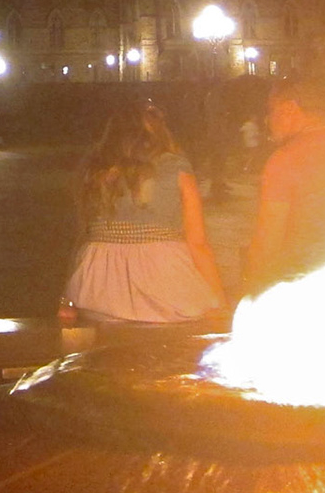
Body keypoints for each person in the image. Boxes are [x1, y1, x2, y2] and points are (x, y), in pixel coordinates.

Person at [59, 99, 227, 324]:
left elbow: (84, 236)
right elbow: (197, 242)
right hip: (163, 280)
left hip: (99, 286)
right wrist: (219, 300)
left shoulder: (93, 171)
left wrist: (68, 296)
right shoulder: (176, 168)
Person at [241, 77, 325, 296]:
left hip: (306, 284)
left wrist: (253, 285)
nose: (267, 121)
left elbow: (268, 241)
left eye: (271, 111)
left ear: (289, 109)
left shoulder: (285, 160)